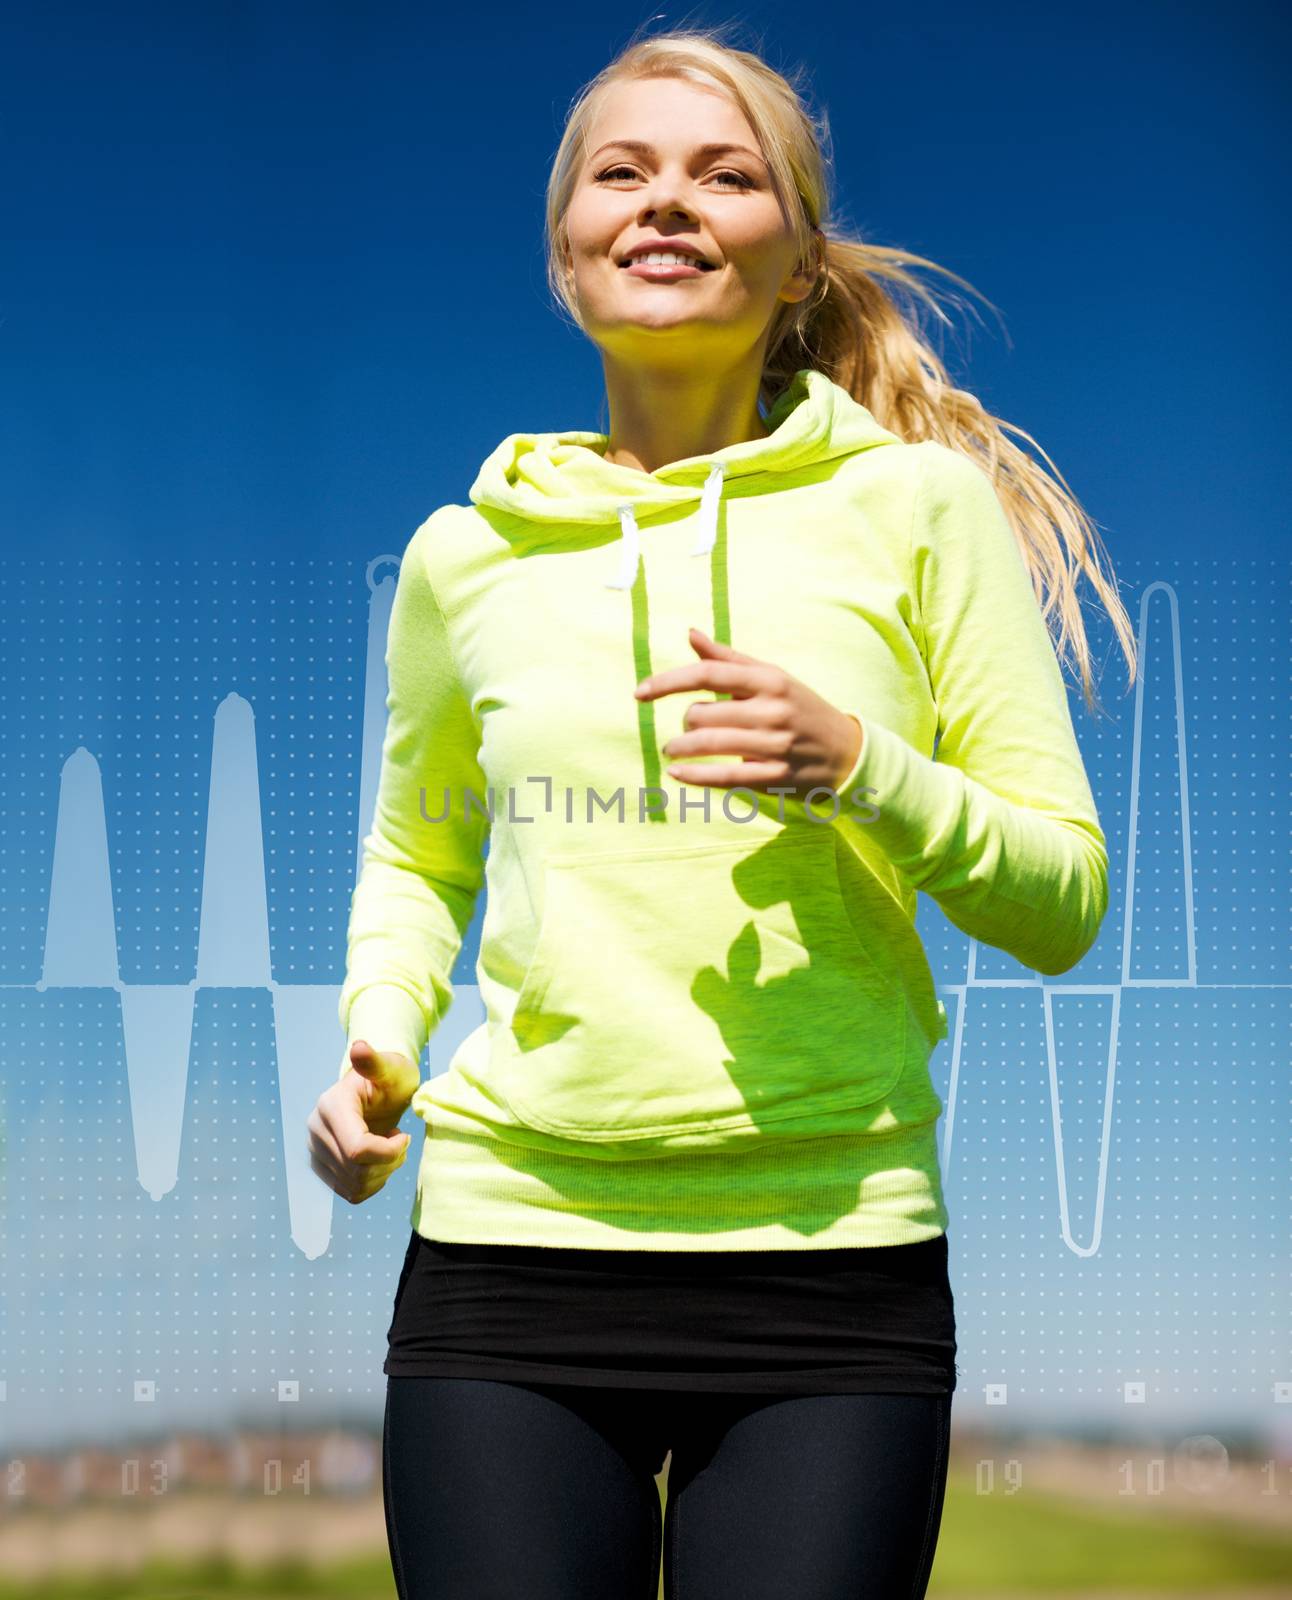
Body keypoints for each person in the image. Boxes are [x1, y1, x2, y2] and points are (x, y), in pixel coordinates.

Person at [306, 24, 1136, 1600]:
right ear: (567, 247)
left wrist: (862, 770)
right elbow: (419, 855)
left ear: (799, 256)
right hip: (508, 1260)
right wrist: (378, 1041)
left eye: (724, 172)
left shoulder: (915, 510)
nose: (667, 201)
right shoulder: (459, 559)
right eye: (622, 170)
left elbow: (1063, 900)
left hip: (833, 1273)